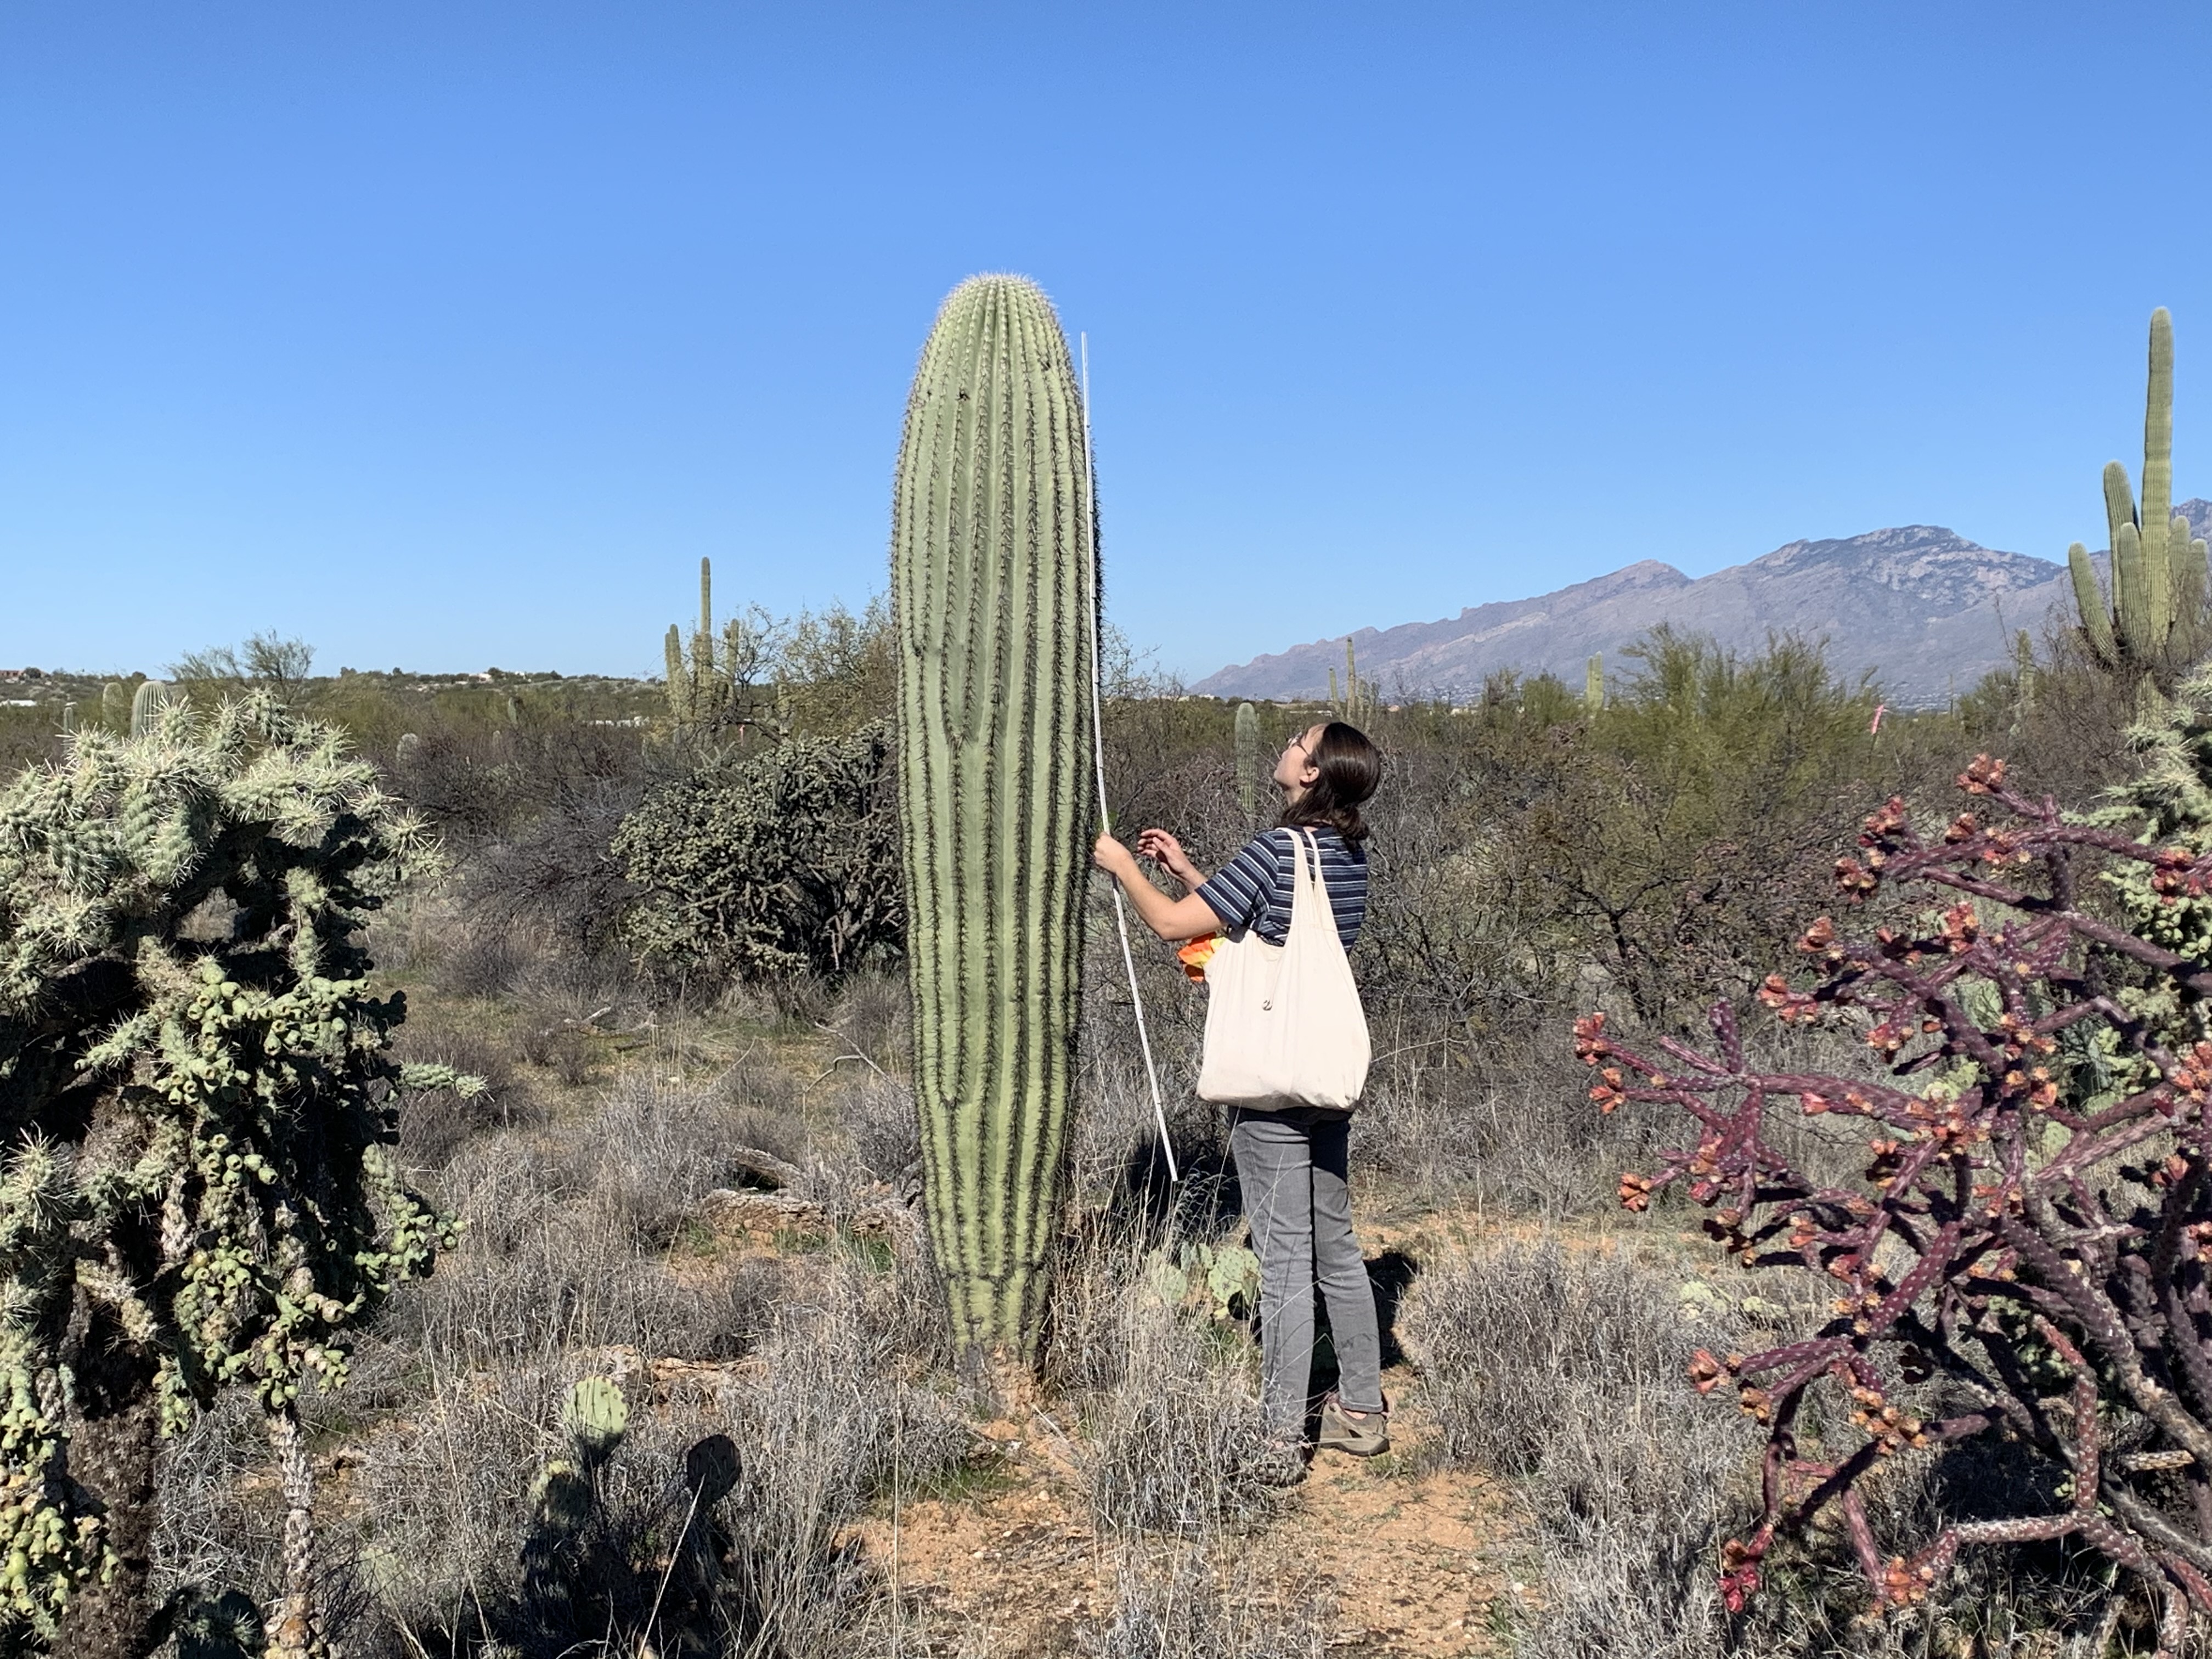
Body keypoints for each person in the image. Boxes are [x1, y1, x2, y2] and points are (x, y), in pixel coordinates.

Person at [1091, 719, 1387, 1468]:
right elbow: (1274, 929)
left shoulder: (1274, 849)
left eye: (1298, 740)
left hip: (1267, 1089)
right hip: (1321, 1072)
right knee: (1336, 1247)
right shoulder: (1347, 855)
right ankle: (1360, 1411)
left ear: (1313, 773)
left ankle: (1279, 1440)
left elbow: (1168, 927)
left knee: (1285, 1263)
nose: (1285, 746)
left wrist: (1124, 867)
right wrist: (1191, 870)